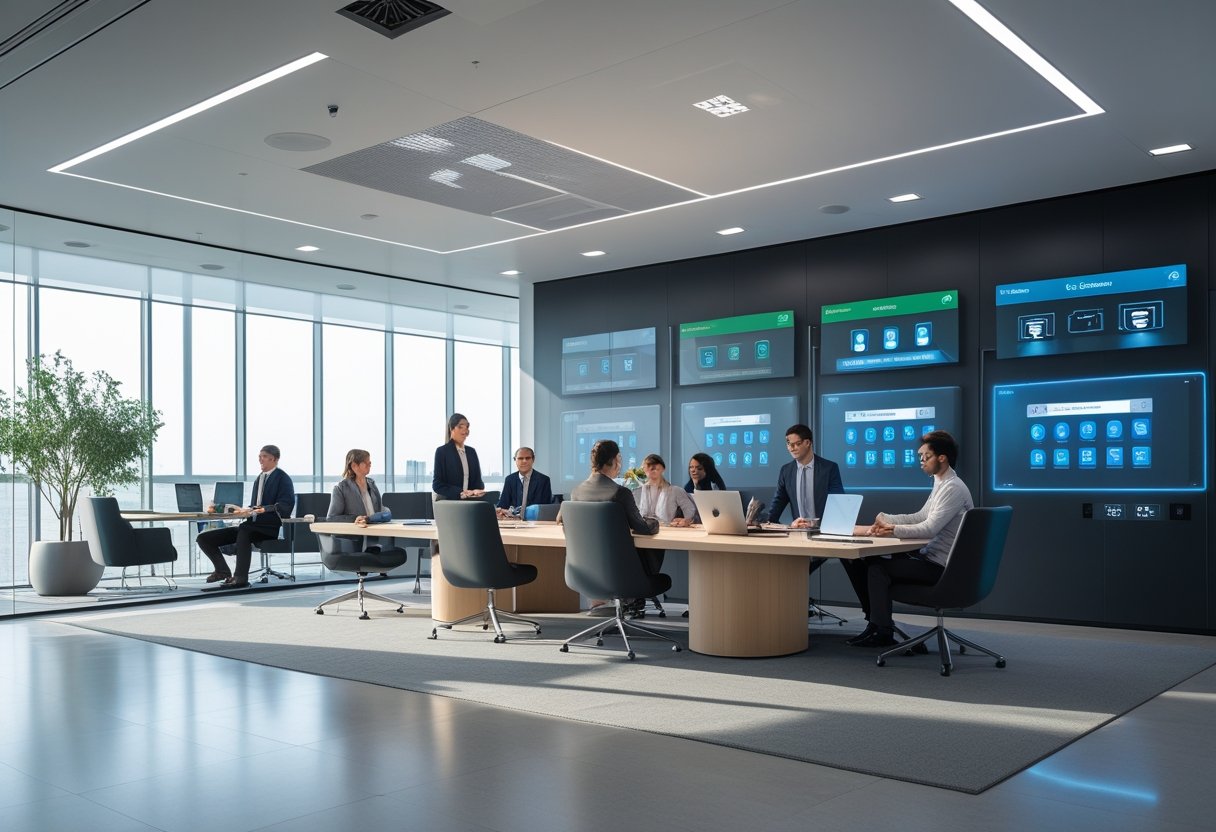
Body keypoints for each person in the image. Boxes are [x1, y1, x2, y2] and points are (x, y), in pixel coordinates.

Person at [843, 430, 974, 648]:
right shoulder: (941, 482)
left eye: (926, 456)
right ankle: (876, 624)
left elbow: (930, 528)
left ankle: (882, 631)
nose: (921, 461)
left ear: (942, 458)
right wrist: (887, 519)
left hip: (941, 567)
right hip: (931, 559)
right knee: (863, 562)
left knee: (877, 569)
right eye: (919, 456)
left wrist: (892, 529)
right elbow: (921, 516)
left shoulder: (953, 488)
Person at [559, 439, 659, 614]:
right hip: (620, 576)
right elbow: (642, 527)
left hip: (583, 575)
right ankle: (631, 600)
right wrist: (655, 521)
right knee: (656, 550)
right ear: (616, 460)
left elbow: (561, 519)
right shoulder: (620, 493)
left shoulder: (575, 492)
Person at [198, 444, 295, 591]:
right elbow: (254, 505)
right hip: (251, 525)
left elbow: (286, 504)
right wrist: (244, 511)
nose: (260, 460)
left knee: (244, 530)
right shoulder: (259, 479)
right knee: (204, 538)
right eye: (259, 457)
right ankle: (222, 570)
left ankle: (241, 578)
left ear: (274, 459)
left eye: (264, 457)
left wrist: (264, 509)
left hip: (269, 528)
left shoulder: (283, 478)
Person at [765, 424, 844, 527]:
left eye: (796, 444)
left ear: (807, 442)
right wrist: (764, 524)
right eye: (789, 444)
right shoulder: (786, 471)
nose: (791, 448)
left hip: (825, 530)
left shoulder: (829, 468)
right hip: (799, 531)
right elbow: (778, 503)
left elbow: (838, 503)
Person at [432, 413, 485, 501]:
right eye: (460, 427)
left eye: (467, 427)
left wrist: (476, 491)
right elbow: (437, 484)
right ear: (451, 429)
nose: (465, 430)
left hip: (471, 501)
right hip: (451, 502)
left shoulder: (471, 452)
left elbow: (478, 482)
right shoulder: (442, 452)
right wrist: (461, 493)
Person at [496, 446, 552, 518]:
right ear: (515, 460)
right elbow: (502, 504)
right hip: (513, 522)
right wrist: (501, 511)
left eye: (527, 458)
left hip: (535, 522)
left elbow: (544, 508)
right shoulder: (509, 479)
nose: (524, 461)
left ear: (533, 459)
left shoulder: (544, 480)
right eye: (520, 458)